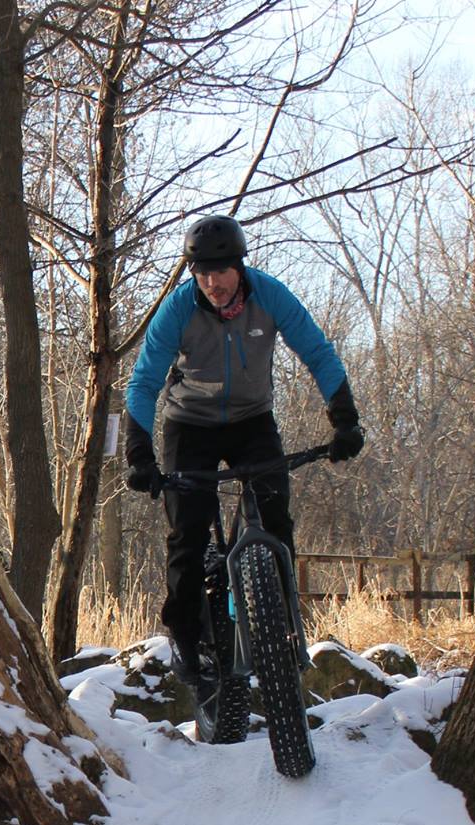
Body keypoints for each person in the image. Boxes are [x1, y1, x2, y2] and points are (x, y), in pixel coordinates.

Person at [120, 214, 364, 692]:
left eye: (221, 271)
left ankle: (285, 625)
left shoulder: (269, 295)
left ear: (240, 267)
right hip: (190, 425)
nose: (212, 283)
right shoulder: (178, 310)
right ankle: (187, 638)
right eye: (201, 273)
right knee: (188, 532)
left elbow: (318, 352)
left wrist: (345, 420)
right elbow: (145, 380)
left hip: (252, 421)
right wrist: (138, 453)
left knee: (275, 516)